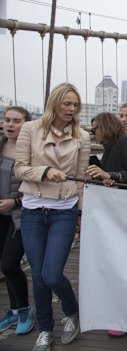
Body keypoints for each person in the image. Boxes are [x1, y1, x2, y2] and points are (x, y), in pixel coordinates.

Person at [14, 82, 90, 350]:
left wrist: (81, 213)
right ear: (54, 103)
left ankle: (71, 311)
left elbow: (80, 180)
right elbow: (20, 169)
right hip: (33, 209)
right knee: (37, 275)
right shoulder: (30, 129)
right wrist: (45, 172)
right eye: (66, 103)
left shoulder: (82, 136)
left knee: (52, 274)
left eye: (75, 105)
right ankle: (45, 329)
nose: (71, 109)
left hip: (63, 210)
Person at [0, 106, 34, 336]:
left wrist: (16, 202)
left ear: (26, 124)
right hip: (0, 217)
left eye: (16, 121)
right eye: (7, 120)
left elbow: (37, 184)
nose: (10, 124)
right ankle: (13, 310)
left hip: (19, 216)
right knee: (3, 264)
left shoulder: (31, 151)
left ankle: (24, 311)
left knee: (10, 264)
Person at [87, 112, 127, 186]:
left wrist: (111, 175)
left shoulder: (124, 142)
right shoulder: (109, 145)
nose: (93, 134)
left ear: (104, 127)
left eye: (94, 130)